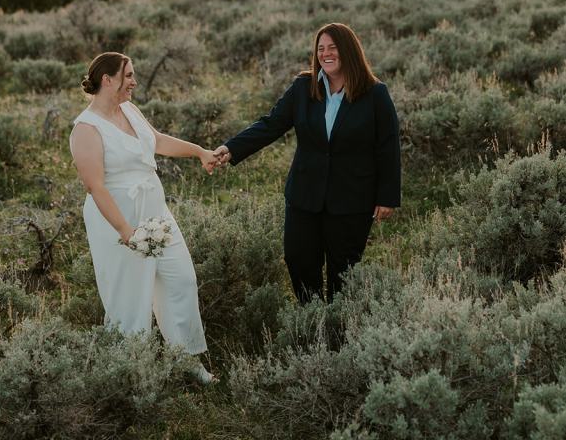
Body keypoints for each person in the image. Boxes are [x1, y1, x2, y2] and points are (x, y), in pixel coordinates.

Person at [213, 22, 400, 303]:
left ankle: (338, 334)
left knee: (344, 271)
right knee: (298, 260)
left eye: (332, 48)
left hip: (352, 199)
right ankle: (312, 319)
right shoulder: (304, 87)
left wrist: (387, 197)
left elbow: (388, 147)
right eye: (320, 49)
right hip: (304, 195)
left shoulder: (375, 94)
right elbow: (271, 124)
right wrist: (231, 148)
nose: (325, 54)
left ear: (348, 51)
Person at [69, 51, 217, 383]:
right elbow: (95, 187)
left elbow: (158, 141)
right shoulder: (86, 129)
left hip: (155, 212)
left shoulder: (130, 110)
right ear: (108, 80)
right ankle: (128, 373)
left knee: (180, 280)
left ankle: (186, 361)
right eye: (129, 75)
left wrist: (199, 152)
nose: (135, 82)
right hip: (119, 221)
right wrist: (126, 231)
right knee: (129, 297)